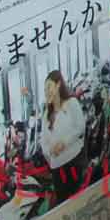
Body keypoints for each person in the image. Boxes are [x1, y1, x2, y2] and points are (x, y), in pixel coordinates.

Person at [41, 70, 89, 205]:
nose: (47, 92)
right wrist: (50, 151)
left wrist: (64, 143)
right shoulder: (46, 114)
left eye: (49, 87)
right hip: (57, 169)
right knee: (64, 206)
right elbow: (43, 141)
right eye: (45, 90)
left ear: (58, 85)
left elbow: (80, 127)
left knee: (79, 201)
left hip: (74, 161)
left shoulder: (71, 103)